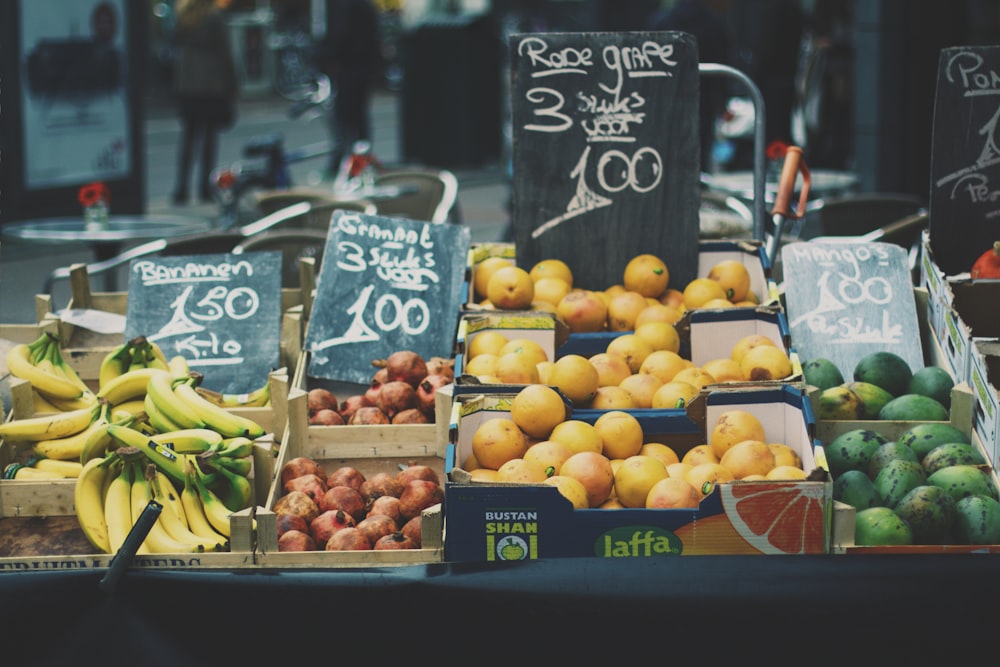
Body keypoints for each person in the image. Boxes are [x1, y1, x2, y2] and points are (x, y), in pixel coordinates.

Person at [648, 0, 734, 173]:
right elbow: (720, 61)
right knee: (700, 140)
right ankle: (699, 180)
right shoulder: (713, 22)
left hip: (668, 93)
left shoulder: (663, 18)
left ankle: (669, 179)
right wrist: (721, 102)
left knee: (669, 140)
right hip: (702, 94)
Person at [171, 0, 239, 205]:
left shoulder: (182, 15)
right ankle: (204, 188)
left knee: (189, 137)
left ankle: (181, 188)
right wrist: (234, 81)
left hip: (188, 82)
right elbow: (224, 51)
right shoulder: (213, 17)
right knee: (209, 139)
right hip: (211, 83)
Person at [320, 0, 382, 175]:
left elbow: (339, 33)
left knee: (344, 119)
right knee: (359, 117)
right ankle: (360, 161)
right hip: (363, 67)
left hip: (348, 66)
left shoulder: (344, 5)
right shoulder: (365, 5)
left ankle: (345, 163)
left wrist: (325, 55)